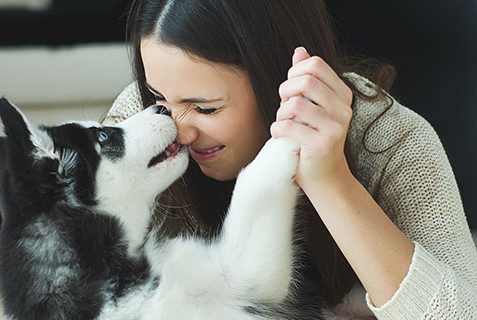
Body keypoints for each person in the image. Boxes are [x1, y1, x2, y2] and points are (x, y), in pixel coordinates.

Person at [101, 0, 477, 318]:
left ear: (277, 79)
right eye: (159, 99)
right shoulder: (141, 126)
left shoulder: (388, 139)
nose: (180, 133)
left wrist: (330, 180)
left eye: (205, 108)